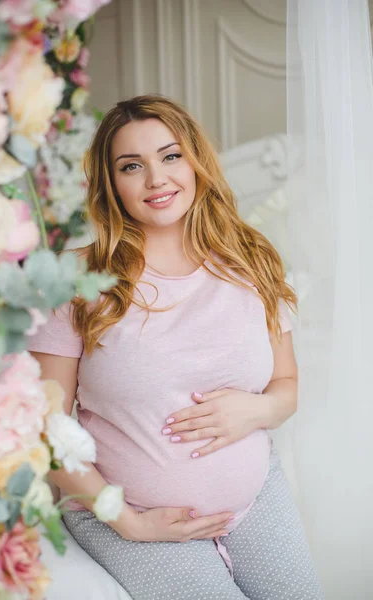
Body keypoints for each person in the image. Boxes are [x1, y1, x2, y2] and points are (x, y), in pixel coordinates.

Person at [28, 95, 324, 599]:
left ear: (195, 162)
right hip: (132, 518)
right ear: (110, 184)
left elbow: (287, 385)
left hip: (255, 500)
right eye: (131, 166)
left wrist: (256, 410)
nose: (156, 179)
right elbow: (46, 427)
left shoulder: (250, 260)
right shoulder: (76, 282)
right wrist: (127, 522)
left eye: (170, 156)